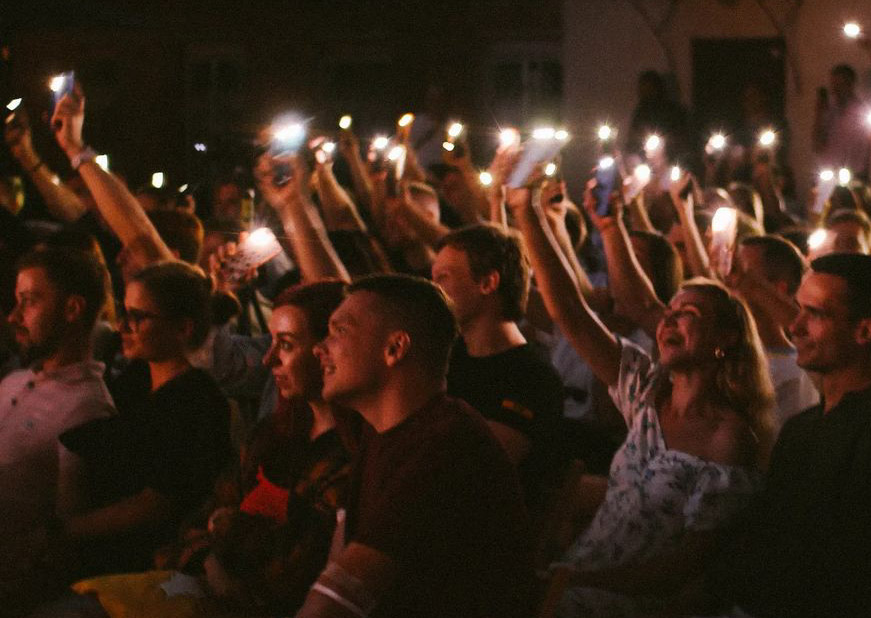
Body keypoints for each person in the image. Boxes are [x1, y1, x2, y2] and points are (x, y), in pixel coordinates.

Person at [510, 179, 776, 617]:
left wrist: (576, 582)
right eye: (668, 313)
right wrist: (526, 212)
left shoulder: (727, 439)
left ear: (724, 341)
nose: (670, 322)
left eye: (688, 316)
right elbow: (571, 314)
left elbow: (682, 568)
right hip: (577, 577)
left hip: (637, 601)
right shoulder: (646, 394)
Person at [44, 280, 359, 618]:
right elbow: (200, 518)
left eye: (286, 345)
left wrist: (225, 529)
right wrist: (211, 555)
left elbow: (292, 570)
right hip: (201, 582)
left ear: (327, 351)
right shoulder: (272, 434)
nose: (269, 361)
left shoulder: (348, 457)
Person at [713, 253, 871, 618]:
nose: (795, 327)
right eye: (798, 310)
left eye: (815, 314)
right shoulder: (802, 428)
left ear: (863, 331)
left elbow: (862, 571)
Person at [296, 274, 531, 618]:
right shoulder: (383, 431)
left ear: (395, 349)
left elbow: (335, 601)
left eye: (339, 331)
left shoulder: (446, 446)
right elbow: (340, 561)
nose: (320, 348)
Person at [54, 261, 232, 579]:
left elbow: (157, 503)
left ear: (183, 328)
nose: (123, 326)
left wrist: (68, 529)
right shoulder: (136, 379)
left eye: (138, 317)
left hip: (144, 566)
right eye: (125, 313)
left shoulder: (198, 401)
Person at [0, 248, 115, 611]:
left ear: (72, 309)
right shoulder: (14, 380)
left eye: (29, 302)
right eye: (17, 302)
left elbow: (67, 537)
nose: (14, 317)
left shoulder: (87, 407)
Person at [433, 224, 565, 509]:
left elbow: (479, 466)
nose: (434, 289)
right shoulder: (444, 357)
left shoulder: (533, 378)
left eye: (443, 277)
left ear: (487, 283)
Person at [727, 235, 819, 425]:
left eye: (741, 272)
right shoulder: (724, 355)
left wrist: (749, 284)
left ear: (779, 289)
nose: (731, 283)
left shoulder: (800, 371)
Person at [812, 64, 871, 176]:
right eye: (833, 85)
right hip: (829, 172)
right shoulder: (828, 111)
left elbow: (870, 146)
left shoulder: (862, 111)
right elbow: (817, 145)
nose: (835, 90)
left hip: (855, 173)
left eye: (839, 85)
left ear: (850, 85)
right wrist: (819, 114)